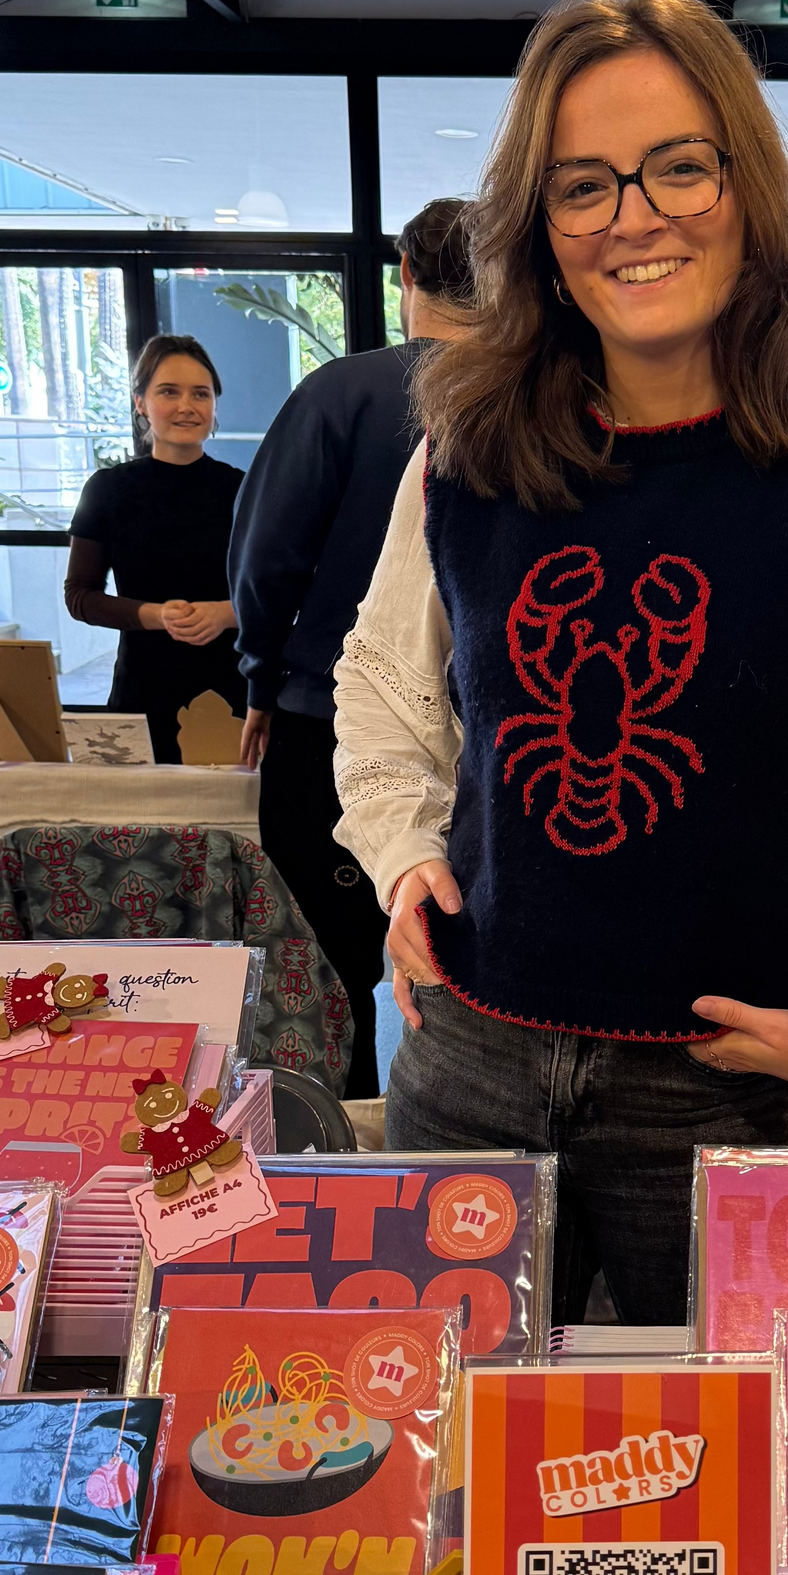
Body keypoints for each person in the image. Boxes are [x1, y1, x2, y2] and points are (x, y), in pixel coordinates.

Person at [331, 0, 788, 1324]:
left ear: (747, 191)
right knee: (437, 1428)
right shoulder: (460, 458)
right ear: (541, 231)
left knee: (727, 1446)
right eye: (583, 188)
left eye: (679, 169)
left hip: (731, 1094)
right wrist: (402, 851)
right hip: (470, 1059)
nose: (634, 218)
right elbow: (383, 685)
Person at [230, 198, 472, 1099]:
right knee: (462, 965)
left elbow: (266, 559)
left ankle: (337, 1138)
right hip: (487, 744)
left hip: (331, 723)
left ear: (405, 273)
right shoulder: (539, 399)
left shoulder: (342, 392)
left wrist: (261, 678)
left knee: (324, 970)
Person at [65, 334, 244, 764]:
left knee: (229, 808)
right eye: (168, 392)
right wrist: (157, 616)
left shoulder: (244, 490)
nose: (187, 406)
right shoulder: (107, 490)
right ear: (141, 403)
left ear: (214, 405)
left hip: (232, 695)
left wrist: (226, 613)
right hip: (141, 690)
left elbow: (285, 593)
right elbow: (80, 596)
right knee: (136, 806)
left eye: (200, 394)